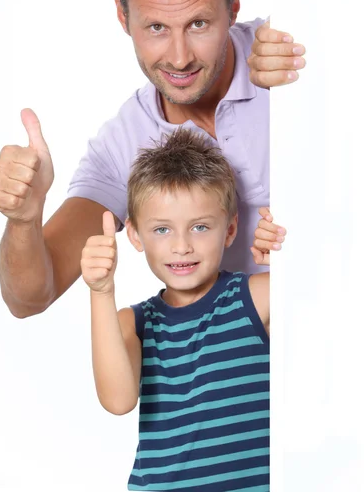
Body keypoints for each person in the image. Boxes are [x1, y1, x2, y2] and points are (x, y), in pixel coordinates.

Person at [0, 0, 304, 318]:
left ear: (233, 6)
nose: (179, 57)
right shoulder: (124, 144)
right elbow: (29, 298)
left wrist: (316, 65)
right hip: (248, 368)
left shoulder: (286, 48)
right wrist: (23, 220)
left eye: (199, 24)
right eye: (156, 27)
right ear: (123, 16)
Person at [82, 128, 270, 491]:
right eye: (162, 230)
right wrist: (101, 292)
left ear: (230, 229)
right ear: (135, 235)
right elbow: (118, 401)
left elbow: (336, 300)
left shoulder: (256, 298)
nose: (182, 246)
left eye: (200, 227)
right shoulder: (133, 323)